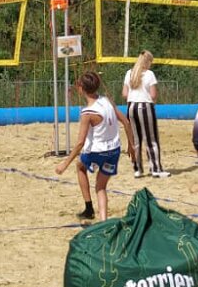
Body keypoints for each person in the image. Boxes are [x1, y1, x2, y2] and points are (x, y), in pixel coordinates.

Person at [55, 70, 124, 220]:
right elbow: (125, 121)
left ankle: (89, 208)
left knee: (80, 166)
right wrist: (132, 145)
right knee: (101, 187)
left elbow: (80, 143)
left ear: (81, 89)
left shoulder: (87, 112)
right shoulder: (107, 100)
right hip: (114, 151)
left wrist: (64, 164)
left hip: (97, 152)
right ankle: (103, 220)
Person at [122, 51, 169, 178]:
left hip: (131, 106)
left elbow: (125, 94)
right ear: (148, 62)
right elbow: (153, 95)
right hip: (145, 106)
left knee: (136, 140)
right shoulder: (149, 74)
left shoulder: (129, 73)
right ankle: (155, 169)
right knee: (151, 139)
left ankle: (137, 169)